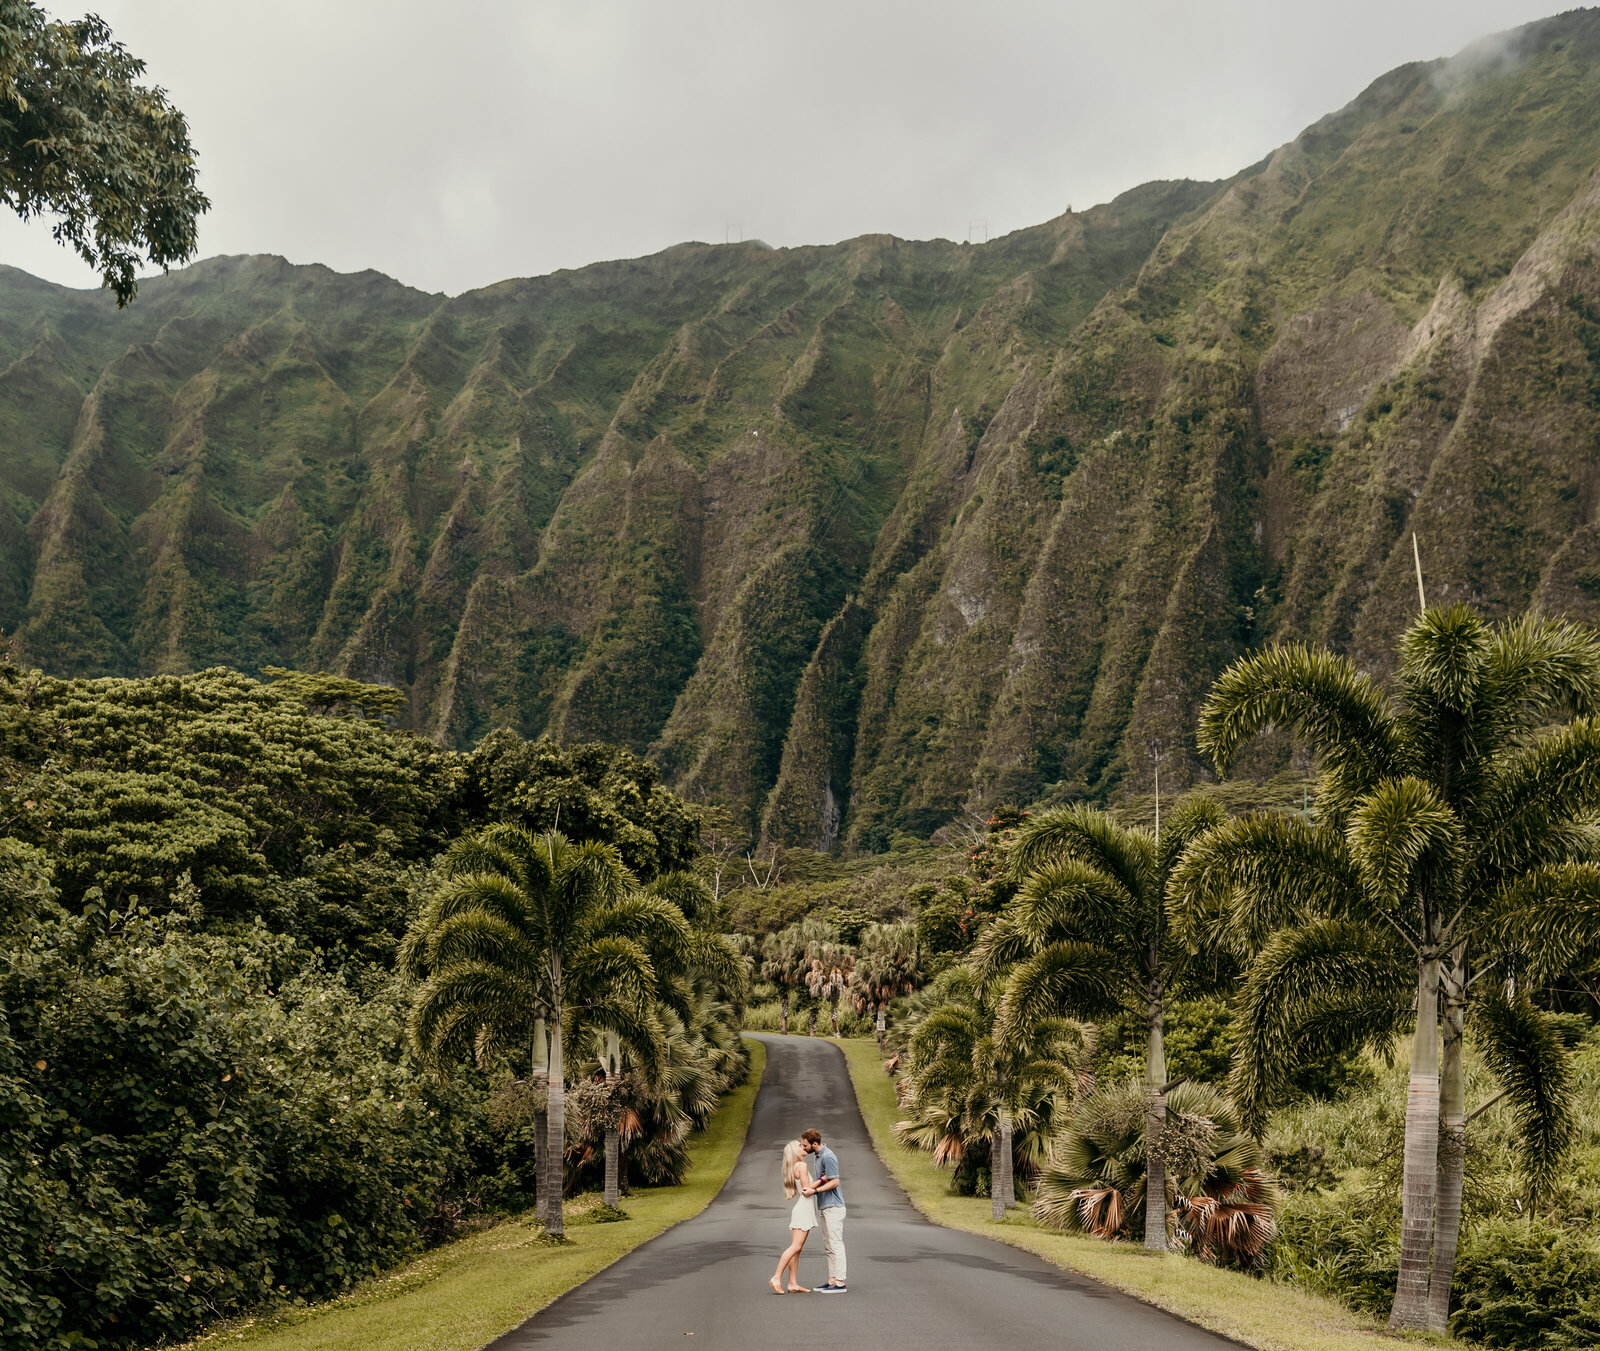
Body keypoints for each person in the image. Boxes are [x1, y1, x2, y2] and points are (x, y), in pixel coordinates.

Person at [801, 1128, 846, 1293]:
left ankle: (841, 1283)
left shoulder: (828, 1156)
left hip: (834, 1206)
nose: (803, 1147)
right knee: (829, 1246)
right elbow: (824, 1178)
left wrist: (815, 1191)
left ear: (814, 1144)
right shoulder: (818, 1156)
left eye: (805, 1145)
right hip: (826, 1207)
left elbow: (835, 1182)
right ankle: (832, 1280)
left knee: (836, 1244)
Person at [769, 1139, 817, 1294]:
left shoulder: (796, 1166)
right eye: (799, 1146)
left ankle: (792, 1283)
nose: (803, 1147)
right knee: (795, 1247)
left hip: (803, 1208)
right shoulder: (801, 1165)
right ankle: (776, 1277)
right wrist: (824, 1180)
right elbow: (806, 1189)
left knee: (798, 1248)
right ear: (794, 1152)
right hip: (803, 1209)